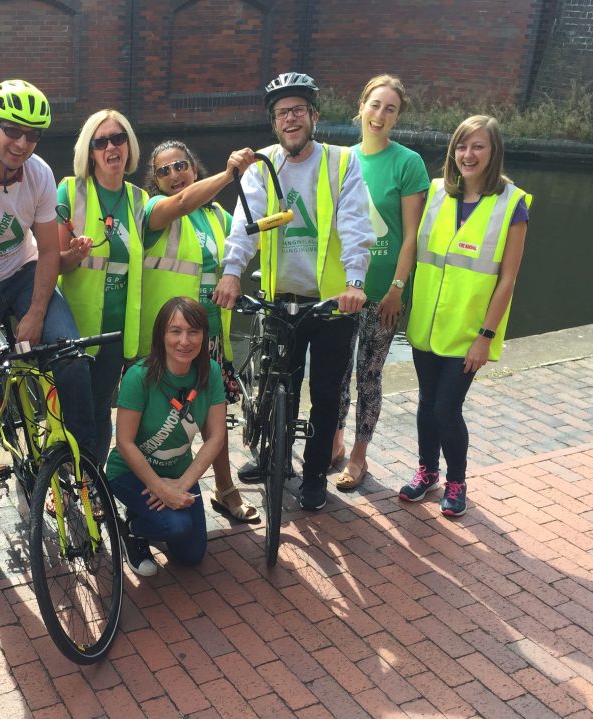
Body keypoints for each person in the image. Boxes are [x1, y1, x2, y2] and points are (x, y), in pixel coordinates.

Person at [0, 79, 94, 547]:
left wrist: (37, 312)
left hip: (24, 270)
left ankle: (81, 474)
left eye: (33, 135)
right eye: (13, 131)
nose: (23, 144)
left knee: (71, 358)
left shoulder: (40, 174)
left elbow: (49, 251)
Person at [214, 71, 375, 511]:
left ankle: (314, 474)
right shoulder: (263, 165)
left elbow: (356, 225)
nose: (291, 119)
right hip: (280, 297)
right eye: (282, 112)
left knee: (325, 395)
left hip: (331, 301)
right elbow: (244, 225)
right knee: (277, 382)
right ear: (274, 122)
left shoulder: (342, 162)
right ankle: (275, 459)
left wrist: (355, 284)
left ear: (313, 117)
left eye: (298, 110)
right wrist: (231, 272)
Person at [400, 115, 529, 516]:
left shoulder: (513, 203)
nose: (467, 155)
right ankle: (428, 472)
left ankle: (457, 480)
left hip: (469, 331)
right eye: (461, 146)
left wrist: (485, 336)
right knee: (425, 403)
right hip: (426, 323)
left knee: (446, 408)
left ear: (494, 152)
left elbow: (507, 280)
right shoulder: (437, 192)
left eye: (478, 147)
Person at [141, 140, 260, 523]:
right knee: (157, 423)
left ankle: (225, 491)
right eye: (164, 170)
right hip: (168, 341)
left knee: (214, 418)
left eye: (181, 166)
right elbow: (180, 204)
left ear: (193, 167)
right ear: (155, 180)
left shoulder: (217, 216)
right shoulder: (153, 212)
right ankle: (150, 495)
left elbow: (247, 242)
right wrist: (229, 175)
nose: (175, 175)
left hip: (209, 338)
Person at [331, 75, 430, 491]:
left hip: (383, 294)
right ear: (361, 106)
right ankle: (333, 443)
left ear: (398, 116)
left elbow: (411, 234)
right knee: (334, 372)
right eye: (375, 105)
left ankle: (359, 456)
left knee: (368, 374)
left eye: (390, 108)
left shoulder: (408, 163)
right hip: (342, 290)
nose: (380, 115)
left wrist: (397, 287)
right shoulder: (340, 160)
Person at [106, 297, 227, 576]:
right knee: (175, 526)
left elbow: (217, 437)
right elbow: (123, 442)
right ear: (162, 335)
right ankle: (132, 531)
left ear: (204, 336)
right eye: (175, 331)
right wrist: (161, 490)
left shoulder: (212, 372)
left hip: (179, 473)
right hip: (130, 473)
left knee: (192, 554)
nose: (185, 341)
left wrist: (181, 485)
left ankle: (148, 517)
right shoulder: (139, 377)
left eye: (193, 332)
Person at [56, 109, 147, 466]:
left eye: (118, 138)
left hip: (116, 329)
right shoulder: (69, 189)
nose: (112, 146)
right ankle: (61, 479)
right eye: (101, 141)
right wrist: (72, 255)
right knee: (69, 409)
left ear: (129, 146)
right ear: (89, 151)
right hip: (74, 324)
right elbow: (54, 261)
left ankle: (92, 484)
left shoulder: (139, 200)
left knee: (99, 408)